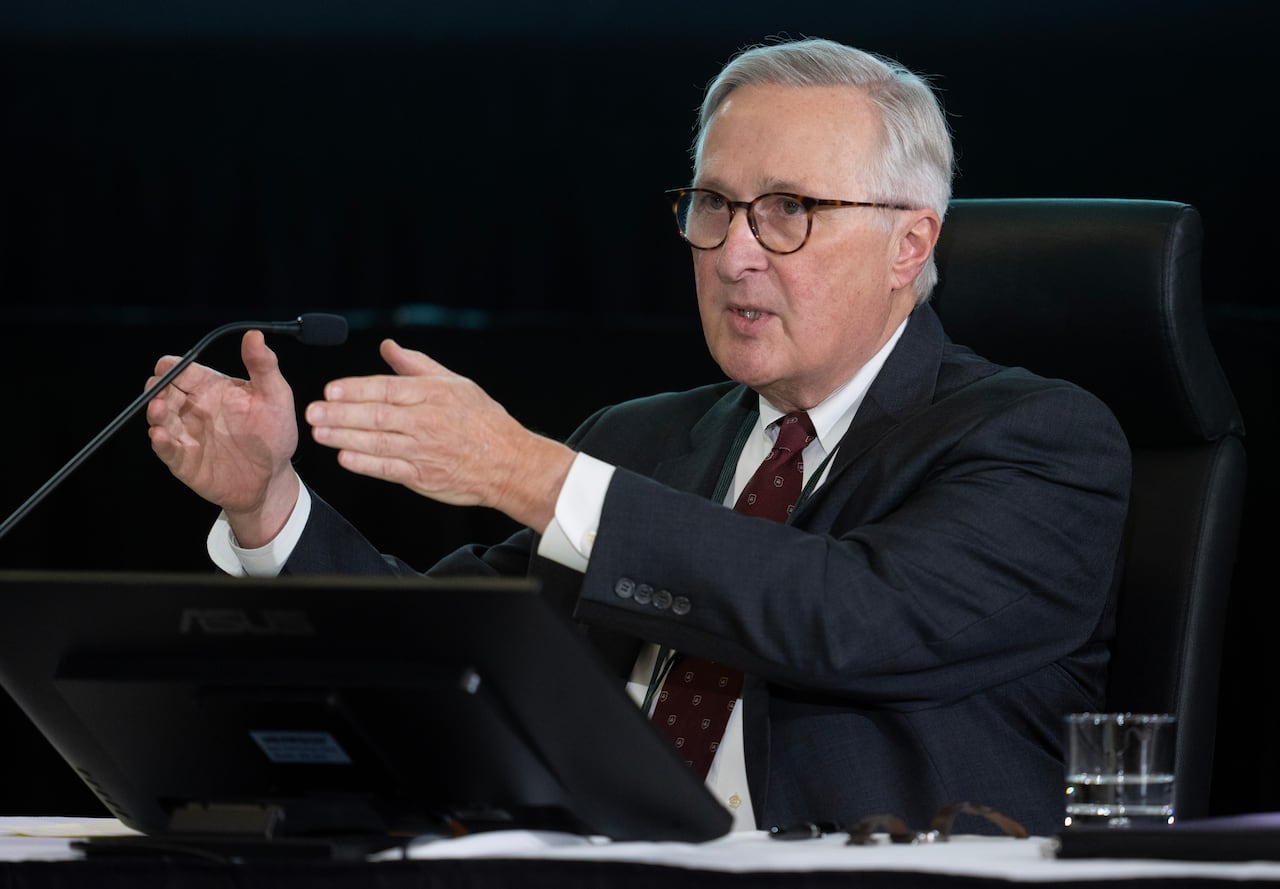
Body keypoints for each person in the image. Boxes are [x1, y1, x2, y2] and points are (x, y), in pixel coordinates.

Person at [145, 36, 1130, 837]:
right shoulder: (641, 439)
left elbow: (851, 616)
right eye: (713, 206)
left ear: (907, 244)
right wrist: (267, 504)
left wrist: (530, 472)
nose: (733, 254)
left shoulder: (1042, 441)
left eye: (787, 210)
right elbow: (440, 647)